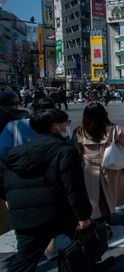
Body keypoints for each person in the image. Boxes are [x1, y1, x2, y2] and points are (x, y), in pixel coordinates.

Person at [0, 108, 92, 271]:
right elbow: (74, 187)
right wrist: (83, 215)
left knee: (24, 261)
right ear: (55, 126)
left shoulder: (15, 153)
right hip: (57, 212)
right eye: (66, 123)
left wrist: (12, 200)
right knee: (82, 248)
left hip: (24, 215)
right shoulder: (64, 151)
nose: (67, 126)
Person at [72, 102, 124, 239]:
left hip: (88, 168)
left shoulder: (80, 131)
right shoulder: (113, 129)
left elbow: (76, 151)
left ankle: (94, 222)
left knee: (92, 198)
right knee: (107, 196)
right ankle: (105, 224)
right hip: (109, 166)